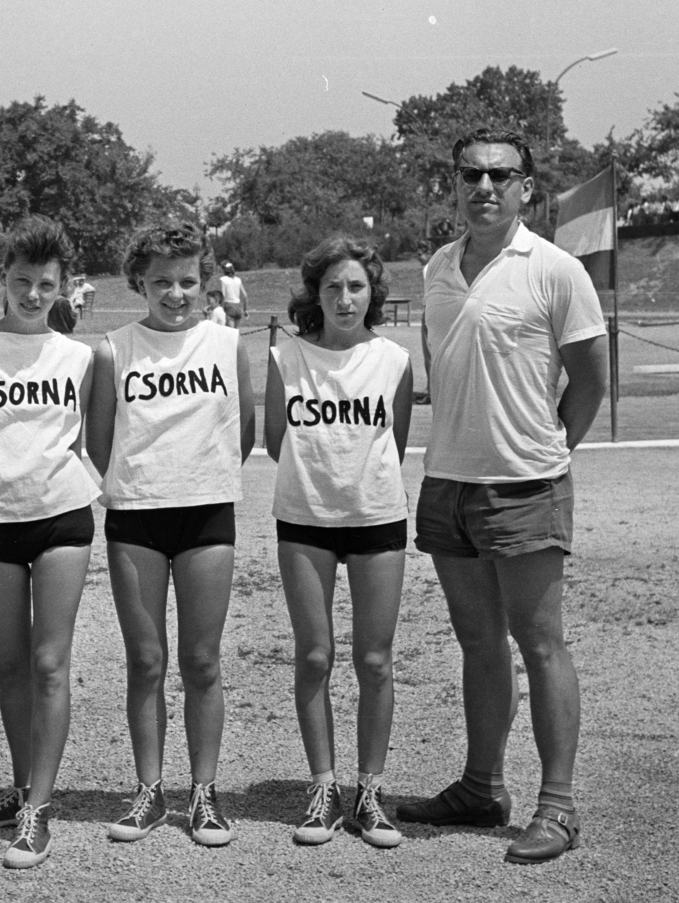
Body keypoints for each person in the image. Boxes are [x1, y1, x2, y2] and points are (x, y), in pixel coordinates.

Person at [401, 129, 607, 866]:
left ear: (527, 188)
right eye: (471, 174)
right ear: (455, 184)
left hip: (525, 485)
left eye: (501, 175)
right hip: (449, 480)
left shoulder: (555, 269)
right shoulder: (435, 268)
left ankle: (558, 805)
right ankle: (482, 786)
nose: (484, 186)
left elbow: (589, 380)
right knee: (478, 641)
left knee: (540, 640)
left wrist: (548, 449)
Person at [86, 221, 256, 848]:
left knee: (202, 660)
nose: (176, 293)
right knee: (147, 660)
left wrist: (196, 478)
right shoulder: (112, 349)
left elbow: (242, 432)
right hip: (136, 516)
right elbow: (98, 442)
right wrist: (146, 483)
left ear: (207, 281)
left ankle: (204, 794)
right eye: (162, 281)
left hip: (207, 513)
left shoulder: (225, 344)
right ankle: (149, 791)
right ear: (139, 282)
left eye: (188, 280)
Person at [0, 217, 100, 869]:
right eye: (23, 281)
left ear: (63, 288)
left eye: (47, 284)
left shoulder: (79, 357)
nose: (34, 294)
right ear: (2, 277)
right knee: (10, 662)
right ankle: (21, 779)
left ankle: (40, 805)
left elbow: (87, 439)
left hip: (62, 515)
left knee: (50, 661)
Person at [264, 235, 413, 849]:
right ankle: (323, 788)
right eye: (332, 287)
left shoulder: (395, 360)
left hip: (376, 516)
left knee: (374, 659)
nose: (345, 298)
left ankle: (369, 792)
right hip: (305, 519)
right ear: (315, 294)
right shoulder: (286, 357)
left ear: (371, 292)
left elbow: (394, 444)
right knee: (315, 655)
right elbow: (277, 443)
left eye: (355, 286)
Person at [215, 261, 247, 327]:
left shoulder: (223, 279)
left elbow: (223, 295)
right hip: (238, 307)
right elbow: (245, 296)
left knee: (230, 333)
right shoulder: (238, 280)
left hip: (229, 306)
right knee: (236, 332)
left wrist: (220, 307)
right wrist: (245, 310)